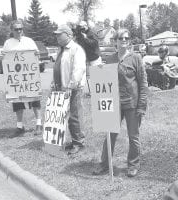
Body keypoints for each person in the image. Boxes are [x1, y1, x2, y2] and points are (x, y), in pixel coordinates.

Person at [92, 28, 148, 177]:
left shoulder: (136, 58)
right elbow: (104, 81)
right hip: (113, 104)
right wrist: (98, 72)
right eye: (121, 38)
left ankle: (133, 165)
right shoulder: (110, 59)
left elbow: (143, 83)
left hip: (132, 104)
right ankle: (104, 164)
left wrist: (142, 106)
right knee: (110, 135)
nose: (124, 41)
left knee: (133, 136)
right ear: (115, 41)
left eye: (126, 38)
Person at [1, 20, 42, 137]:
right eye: (16, 29)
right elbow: (5, 58)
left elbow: (36, 55)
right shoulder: (8, 43)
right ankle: (20, 126)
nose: (19, 31)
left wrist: (37, 55)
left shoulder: (29, 41)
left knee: (35, 100)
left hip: (29, 78)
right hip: (16, 79)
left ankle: (39, 124)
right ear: (12, 30)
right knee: (17, 102)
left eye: (21, 29)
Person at [52, 24, 87, 155]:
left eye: (59, 34)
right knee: (66, 116)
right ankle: (74, 140)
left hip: (73, 89)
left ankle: (79, 143)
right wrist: (53, 82)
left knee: (75, 115)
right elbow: (59, 68)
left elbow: (78, 69)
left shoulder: (76, 49)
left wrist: (70, 86)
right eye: (56, 34)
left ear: (68, 35)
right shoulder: (61, 50)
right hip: (61, 88)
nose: (57, 36)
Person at [74, 21, 101, 95]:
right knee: (83, 75)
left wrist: (86, 38)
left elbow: (95, 44)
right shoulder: (79, 35)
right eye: (80, 27)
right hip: (85, 58)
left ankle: (97, 92)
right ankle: (84, 91)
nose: (82, 28)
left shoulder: (91, 33)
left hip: (95, 58)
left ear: (86, 26)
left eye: (83, 27)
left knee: (96, 76)